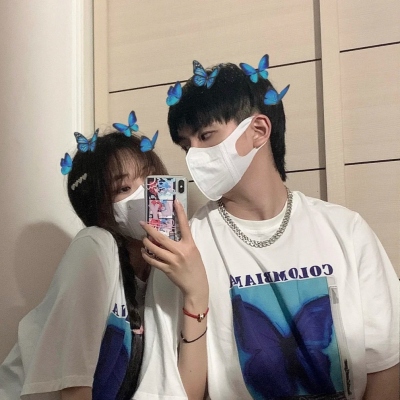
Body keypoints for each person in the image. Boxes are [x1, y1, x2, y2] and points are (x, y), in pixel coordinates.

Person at [135, 59, 399, 400]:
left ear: (258, 130)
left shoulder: (346, 231)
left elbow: (386, 365)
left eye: (206, 136)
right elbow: (175, 391)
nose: (193, 157)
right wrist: (195, 295)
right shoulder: (184, 247)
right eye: (187, 146)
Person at [0, 129, 208, 399]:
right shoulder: (94, 246)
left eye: (150, 181)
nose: (144, 195)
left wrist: (196, 293)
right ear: (100, 209)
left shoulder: (164, 276)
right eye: (124, 189)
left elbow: (184, 392)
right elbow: (73, 390)